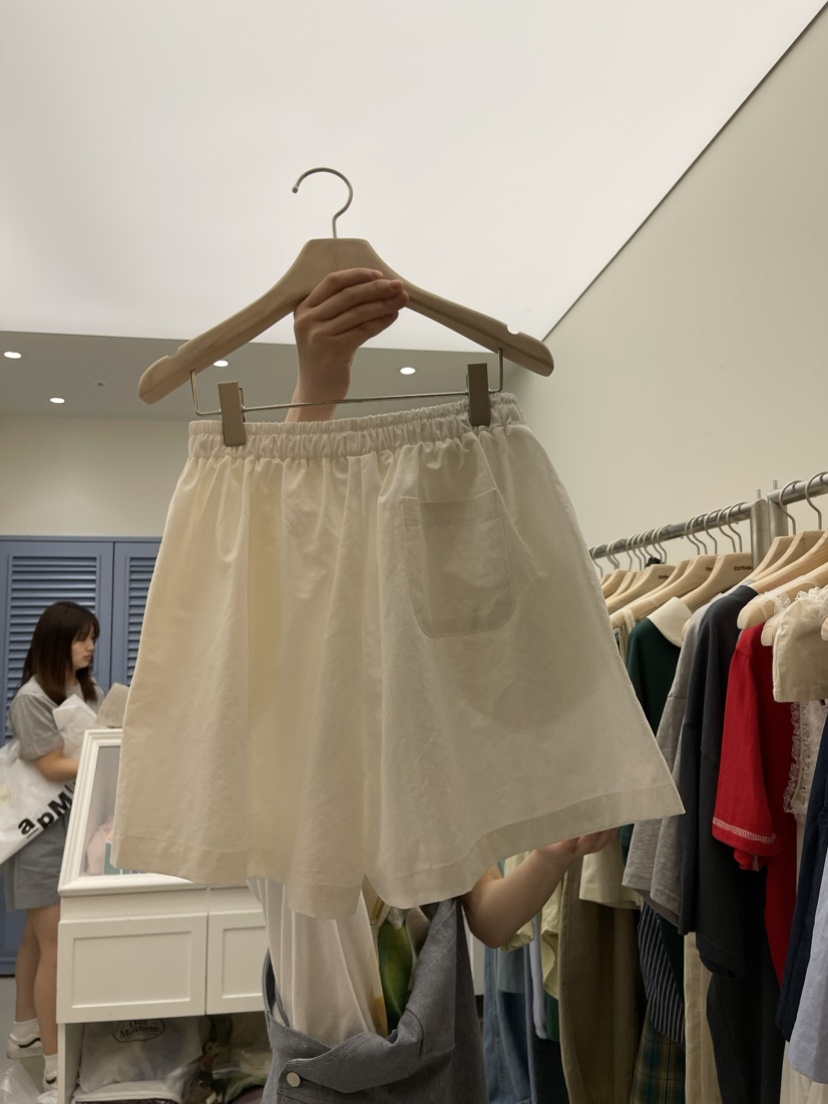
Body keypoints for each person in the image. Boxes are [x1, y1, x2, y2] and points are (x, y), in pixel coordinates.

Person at [251, 266, 618, 1099]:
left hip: (441, 1076)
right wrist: (315, 390)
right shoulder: (289, 759)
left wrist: (553, 854)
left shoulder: (429, 754)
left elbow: (484, 917)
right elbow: (279, 586)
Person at [3, 601, 102, 1091]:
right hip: (39, 835)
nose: (90, 647)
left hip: (70, 829)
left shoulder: (83, 689)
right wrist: (110, 749)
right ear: (56, 641)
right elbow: (49, 766)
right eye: (82, 638)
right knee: (55, 944)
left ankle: (24, 1030)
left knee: (36, 939)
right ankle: (55, 1061)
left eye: (93, 638)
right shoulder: (31, 699)